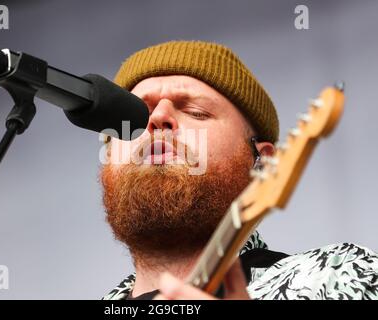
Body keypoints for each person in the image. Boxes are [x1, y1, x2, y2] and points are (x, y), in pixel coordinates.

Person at [100, 40, 378, 300]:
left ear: (262, 163)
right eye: (134, 116)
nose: (159, 117)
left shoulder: (338, 275)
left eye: (196, 112)